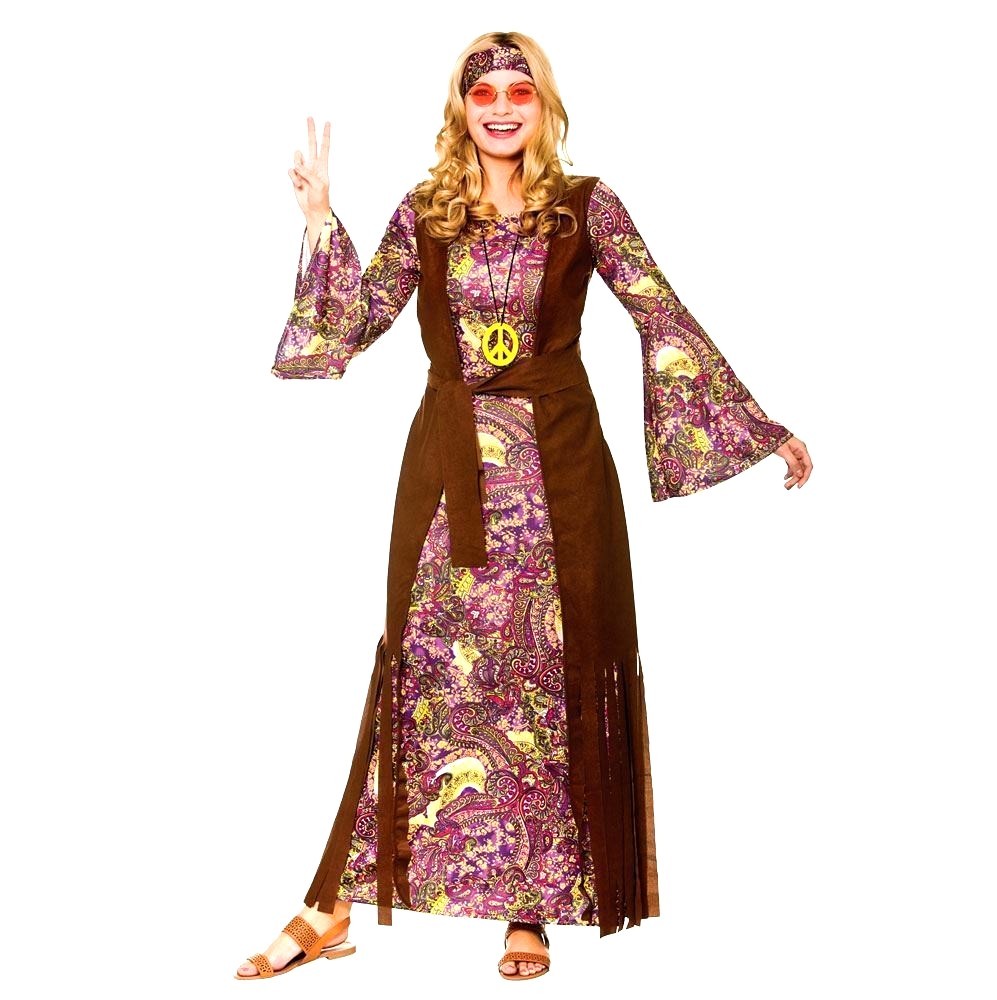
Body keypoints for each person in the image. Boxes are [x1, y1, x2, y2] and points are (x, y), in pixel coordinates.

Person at [235, 30, 813, 984]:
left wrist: (756, 428)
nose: (501, 107)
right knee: (425, 670)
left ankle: (528, 910)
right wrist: (320, 220)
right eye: (484, 93)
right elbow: (353, 325)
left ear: (543, 105)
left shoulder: (586, 207)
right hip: (446, 474)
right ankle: (333, 903)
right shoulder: (427, 211)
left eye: (520, 91)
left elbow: (659, 312)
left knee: (543, 672)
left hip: (561, 478)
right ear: (460, 108)